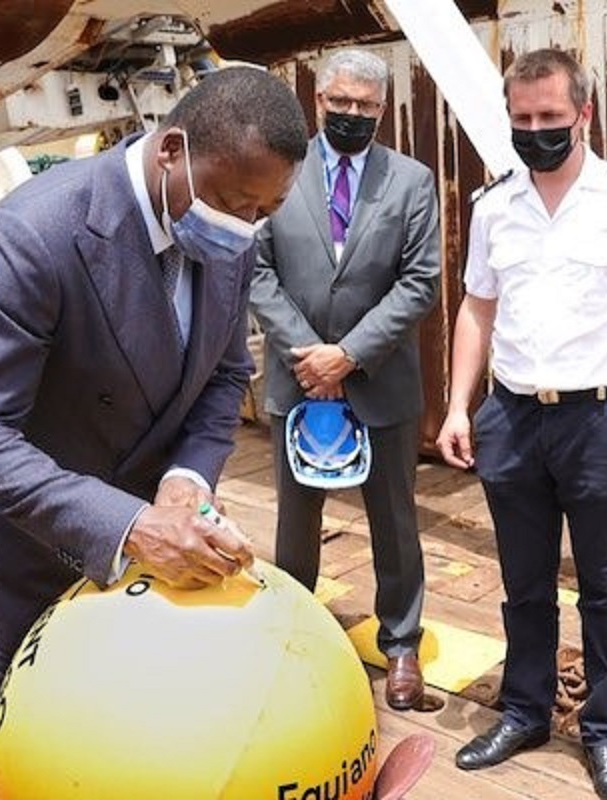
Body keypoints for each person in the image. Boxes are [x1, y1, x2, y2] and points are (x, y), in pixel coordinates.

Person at [0, 66, 308, 797]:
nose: (246, 223)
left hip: (153, 556)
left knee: (138, 754)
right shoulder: (35, 234)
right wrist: (131, 524)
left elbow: (225, 376)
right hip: (35, 553)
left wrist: (184, 482)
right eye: (234, 202)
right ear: (170, 150)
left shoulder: (236, 234)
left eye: (268, 208)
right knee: (39, 761)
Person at [436, 49, 607, 800]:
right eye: (522, 119)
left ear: (584, 114)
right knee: (524, 583)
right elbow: (477, 307)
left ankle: (605, 730)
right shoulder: (495, 206)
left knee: (606, 589)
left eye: (551, 117)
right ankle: (525, 711)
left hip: (603, 419)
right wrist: (458, 403)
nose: (536, 130)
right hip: (514, 419)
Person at [250, 48, 441, 711]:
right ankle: (295, 632)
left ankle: (402, 645)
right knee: (295, 519)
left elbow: (421, 283)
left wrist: (350, 355)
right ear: (318, 100)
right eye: (341, 103)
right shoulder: (280, 169)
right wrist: (311, 354)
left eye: (366, 106)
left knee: (394, 518)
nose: (353, 115)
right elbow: (256, 271)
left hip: (379, 378)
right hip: (297, 377)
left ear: (382, 111)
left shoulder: (411, 182)